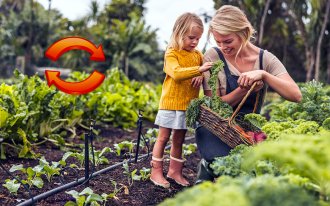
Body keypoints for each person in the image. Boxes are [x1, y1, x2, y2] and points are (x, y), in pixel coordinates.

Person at [195, 5, 302, 184]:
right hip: (216, 127)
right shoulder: (213, 57)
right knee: (229, 165)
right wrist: (243, 89)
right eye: (218, 41)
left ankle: (210, 167)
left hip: (247, 131)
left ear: (244, 32)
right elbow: (214, 106)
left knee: (258, 171)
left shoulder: (265, 59)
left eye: (228, 41)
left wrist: (264, 75)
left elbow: (296, 95)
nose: (223, 47)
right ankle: (209, 165)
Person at [150, 12, 213, 188]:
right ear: (179, 33)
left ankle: (174, 172)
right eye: (191, 38)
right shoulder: (172, 54)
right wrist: (199, 70)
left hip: (187, 105)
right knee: (163, 137)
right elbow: (177, 73)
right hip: (170, 104)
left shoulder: (197, 55)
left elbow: (202, 73)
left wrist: (201, 75)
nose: (194, 42)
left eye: (198, 39)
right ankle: (155, 172)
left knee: (179, 139)